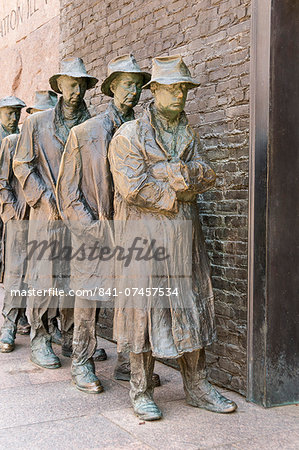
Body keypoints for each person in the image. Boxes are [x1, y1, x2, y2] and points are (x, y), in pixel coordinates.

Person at [108, 55, 237, 420]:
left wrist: (174, 172)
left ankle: (197, 385)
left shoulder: (189, 133)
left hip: (184, 239)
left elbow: (207, 174)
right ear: (155, 92)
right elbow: (133, 187)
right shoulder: (129, 134)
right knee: (143, 314)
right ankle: (141, 388)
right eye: (173, 88)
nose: (180, 94)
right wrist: (177, 188)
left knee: (190, 307)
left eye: (184, 88)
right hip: (144, 240)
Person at [56, 54, 158, 393]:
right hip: (95, 231)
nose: (133, 91)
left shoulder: (147, 131)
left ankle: (128, 362)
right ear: (111, 87)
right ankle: (82, 361)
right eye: (126, 84)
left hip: (132, 230)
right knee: (88, 298)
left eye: (137, 85)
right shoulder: (85, 132)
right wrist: (92, 229)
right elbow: (67, 192)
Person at [13, 58, 97, 369]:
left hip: (79, 215)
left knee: (77, 279)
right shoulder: (37, 123)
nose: (76, 91)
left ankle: (73, 338)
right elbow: (22, 164)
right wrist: (44, 198)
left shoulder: (92, 126)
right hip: (46, 215)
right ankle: (40, 338)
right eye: (70, 84)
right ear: (58, 86)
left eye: (81, 85)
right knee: (45, 279)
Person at [0, 96, 29, 352]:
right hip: (14, 216)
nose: (14, 118)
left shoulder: (26, 137)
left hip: (37, 217)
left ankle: (26, 319)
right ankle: (8, 325)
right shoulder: (10, 142)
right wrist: (10, 211)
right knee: (14, 272)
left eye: (17, 113)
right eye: (9, 113)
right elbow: (3, 182)